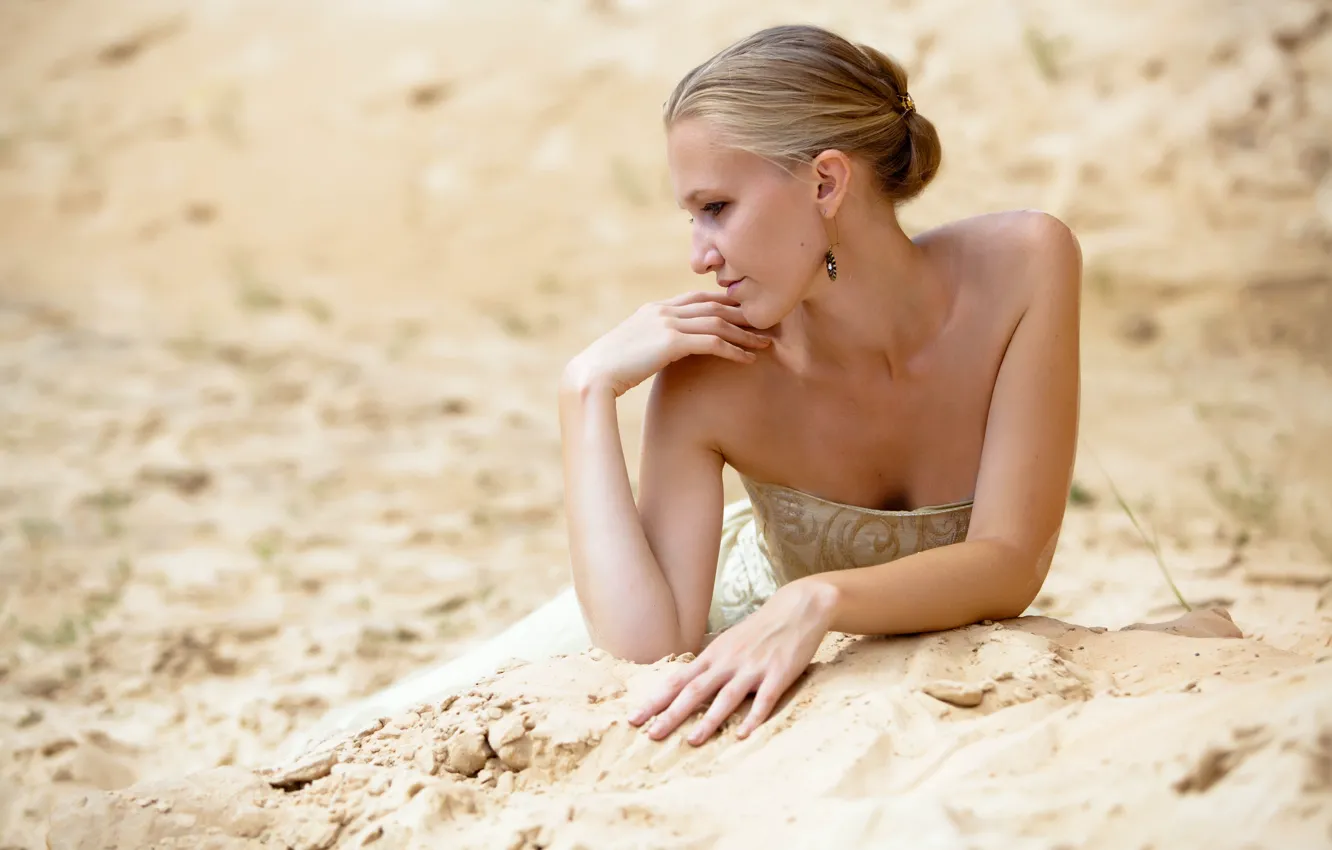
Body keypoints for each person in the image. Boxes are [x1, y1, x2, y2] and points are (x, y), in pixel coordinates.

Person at [280, 23, 1080, 759]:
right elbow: (646, 646)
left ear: (827, 183)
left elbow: (1010, 563)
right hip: (710, 627)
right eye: (693, 217)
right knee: (350, 742)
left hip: (791, 630)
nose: (700, 255)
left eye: (717, 209)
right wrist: (584, 391)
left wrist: (815, 602)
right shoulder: (714, 370)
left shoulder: (1024, 269)